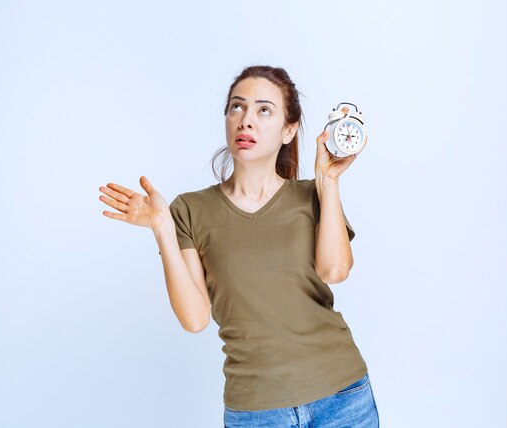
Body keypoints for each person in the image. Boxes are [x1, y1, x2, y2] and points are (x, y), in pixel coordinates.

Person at [98, 65, 379, 427]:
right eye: (237, 107)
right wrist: (161, 227)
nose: (246, 120)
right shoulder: (189, 209)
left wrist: (327, 180)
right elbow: (195, 319)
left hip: (342, 397)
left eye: (264, 110)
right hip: (257, 411)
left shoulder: (311, 195)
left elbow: (335, 270)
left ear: (289, 130)